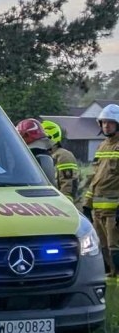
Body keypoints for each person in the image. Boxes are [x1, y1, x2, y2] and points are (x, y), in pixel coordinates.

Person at [82, 104, 119, 277]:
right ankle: (111, 289)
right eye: (103, 123)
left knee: (115, 248)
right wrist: (87, 204)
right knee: (101, 248)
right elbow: (94, 178)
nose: (106, 126)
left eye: (110, 123)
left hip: (114, 212)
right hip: (98, 210)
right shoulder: (102, 146)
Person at [41, 120, 80, 199]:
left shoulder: (64, 155)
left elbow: (69, 183)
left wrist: (65, 203)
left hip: (59, 203)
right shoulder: (43, 155)